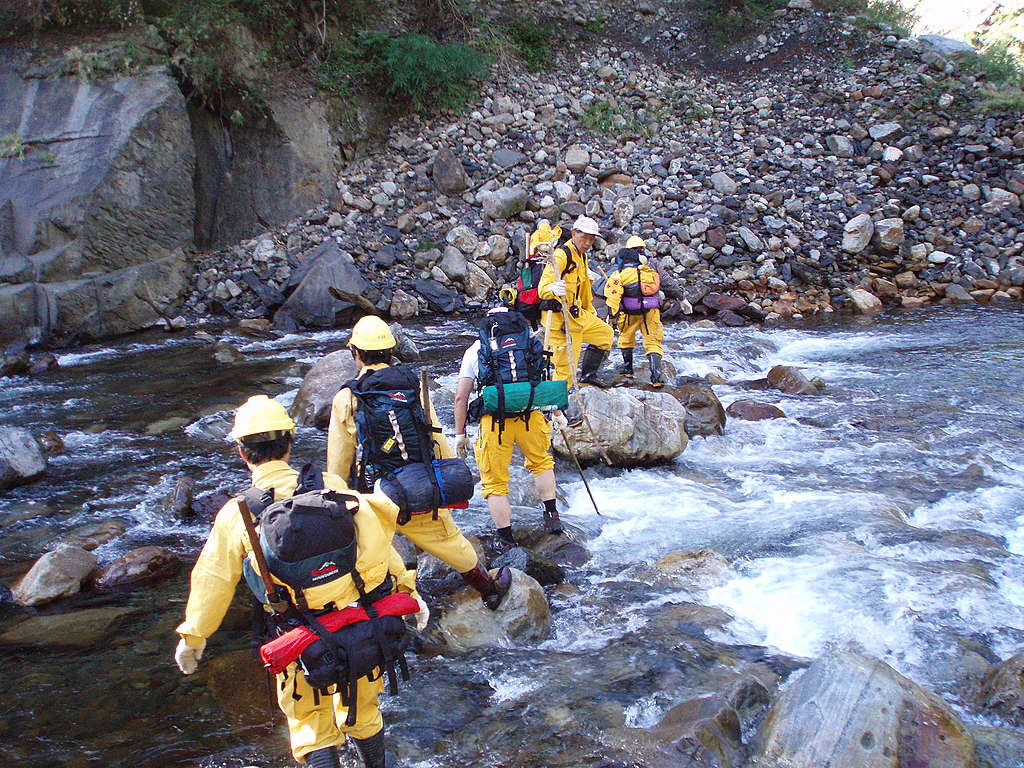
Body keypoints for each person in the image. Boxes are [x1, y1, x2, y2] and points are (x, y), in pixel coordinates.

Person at [174, 394, 421, 768]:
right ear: (289, 444)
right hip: (361, 623)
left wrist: (194, 637)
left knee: (311, 725)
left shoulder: (237, 513)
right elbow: (377, 543)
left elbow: (213, 578)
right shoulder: (331, 485)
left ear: (242, 452)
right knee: (364, 709)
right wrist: (408, 590)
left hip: (300, 638)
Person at [326, 316, 511, 610]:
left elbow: (339, 459)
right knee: (449, 540)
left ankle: (381, 609)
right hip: (418, 483)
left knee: (373, 551)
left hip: (376, 493)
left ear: (356, 354)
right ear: (391, 351)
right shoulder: (410, 384)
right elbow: (434, 433)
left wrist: (338, 498)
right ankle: (488, 589)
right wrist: (448, 474)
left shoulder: (348, 397)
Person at [453, 303, 565, 541]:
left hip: (494, 421)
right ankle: (552, 515)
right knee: (541, 463)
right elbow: (544, 380)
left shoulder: (476, 349)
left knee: (494, 483)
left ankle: (506, 538)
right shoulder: (530, 342)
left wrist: (460, 434)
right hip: (530, 413)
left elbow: (461, 396)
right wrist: (558, 414)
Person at [536, 215, 614, 389]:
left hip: (578, 316)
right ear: (573, 233)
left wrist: (590, 311)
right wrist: (553, 289)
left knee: (606, 335)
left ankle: (588, 376)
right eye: (584, 237)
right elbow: (542, 289)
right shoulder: (561, 255)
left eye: (591, 239)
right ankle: (556, 411)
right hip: (561, 322)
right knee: (566, 370)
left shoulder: (582, 256)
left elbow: (584, 287)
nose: (587, 242)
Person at [604, 236, 666, 386]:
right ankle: (656, 377)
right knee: (653, 341)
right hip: (650, 311)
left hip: (628, 313)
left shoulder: (619, 274)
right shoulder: (649, 271)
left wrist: (611, 315)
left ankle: (628, 369)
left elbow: (613, 297)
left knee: (625, 337)